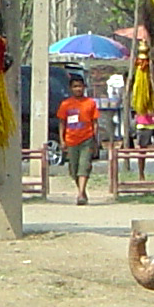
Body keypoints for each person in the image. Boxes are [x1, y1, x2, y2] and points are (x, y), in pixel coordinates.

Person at [55, 71, 100, 206]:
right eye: (75, 86)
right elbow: (62, 123)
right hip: (71, 140)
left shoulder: (90, 103)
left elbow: (95, 122)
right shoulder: (65, 104)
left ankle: (80, 194)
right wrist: (62, 141)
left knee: (84, 166)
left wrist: (95, 138)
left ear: (84, 87)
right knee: (74, 170)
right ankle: (82, 190)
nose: (78, 89)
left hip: (87, 139)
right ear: (70, 88)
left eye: (80, 86)